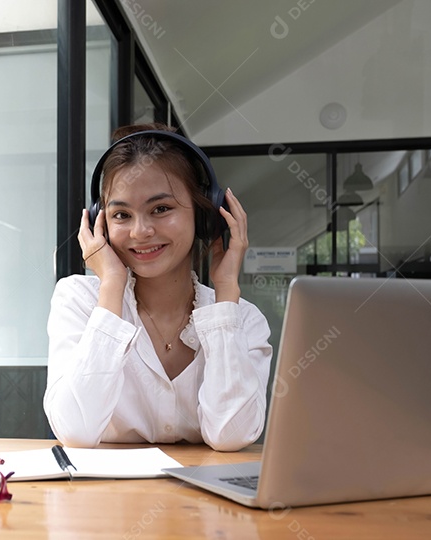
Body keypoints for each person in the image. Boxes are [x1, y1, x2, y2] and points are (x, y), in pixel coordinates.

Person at [43, 123, 272, 452]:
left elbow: (232, 435)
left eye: (161, 209)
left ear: (205, 216)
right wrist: (111, 287)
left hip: (203, 503)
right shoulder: (79, 300)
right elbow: (75, 431)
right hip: (102, 503)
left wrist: (225, 294)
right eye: (121, 214)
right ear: (100, 223)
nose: (140, 232)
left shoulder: (243, 319)